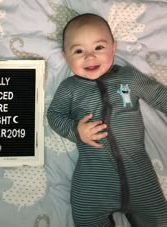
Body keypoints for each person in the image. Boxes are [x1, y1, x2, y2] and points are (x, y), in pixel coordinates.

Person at [47, 13, 167, 227]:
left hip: (139, 175)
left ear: (114, 47)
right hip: (93, 179)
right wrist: (76, 131)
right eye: (78, 51)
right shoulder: (70, 88)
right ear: (66, 57)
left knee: (159, 219)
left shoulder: (129, 78)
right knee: (85, 215)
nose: (90, 57)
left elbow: (160, 97)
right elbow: (54, 115)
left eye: (99, 48)